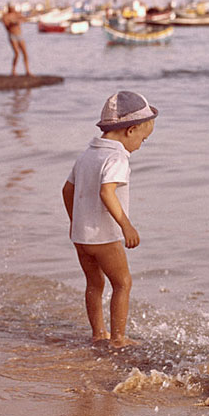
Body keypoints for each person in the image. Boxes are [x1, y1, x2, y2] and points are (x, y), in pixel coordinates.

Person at [62, 91, 158, 347]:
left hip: (81, 237)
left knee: (94, 283)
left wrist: (75, 221)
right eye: (143, 139)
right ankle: (118, 338)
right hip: (104, 237)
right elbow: (107, 191)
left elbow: (67, 190)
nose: (140, 145)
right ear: (130, 130)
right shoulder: (116, 157)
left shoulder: (87, 154)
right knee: (122, 283)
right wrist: (126, 225)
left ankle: (98, 333)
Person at [2, 3, 31, 75]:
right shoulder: (5, 16)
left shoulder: (17, 14)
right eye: (11, 7)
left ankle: (27, 71)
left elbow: (25, 19)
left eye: (13, 7)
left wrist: (22, 19)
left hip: (20, 35)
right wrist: (14, 23)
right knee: (17, 54)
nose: (13, 9)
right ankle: (13, 70)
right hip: (12, 36)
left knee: (25, 53)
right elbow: (7, 27)